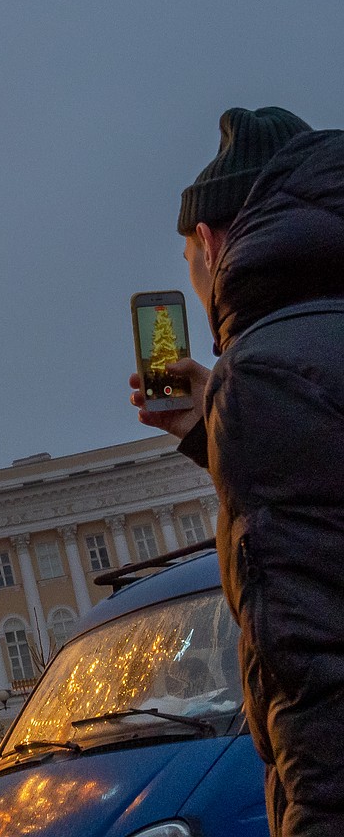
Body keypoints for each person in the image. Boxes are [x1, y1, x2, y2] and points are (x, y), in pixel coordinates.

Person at [129, 105, 344, 836]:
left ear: (210, 241)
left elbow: (315, 669)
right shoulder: (289, 364)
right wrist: (213, 434)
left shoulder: (264, 376)